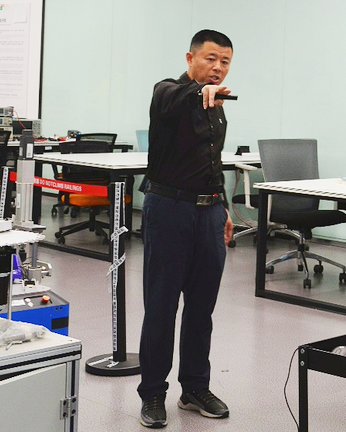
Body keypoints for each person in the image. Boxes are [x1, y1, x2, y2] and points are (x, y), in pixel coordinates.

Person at [138, 30, 236, 428]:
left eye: (225, 61)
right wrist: (198, 91)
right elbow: (173, 98)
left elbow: (212, 161)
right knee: (161, 306)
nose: (218, 67)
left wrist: (223, 206)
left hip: (208, 214)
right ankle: (152, 392)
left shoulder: (218, 106)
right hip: (169, 210)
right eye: (211, 58)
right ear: (190, 57)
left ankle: (195, 387)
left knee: (201, 307)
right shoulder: (167, 93)